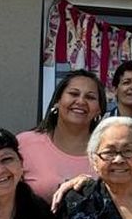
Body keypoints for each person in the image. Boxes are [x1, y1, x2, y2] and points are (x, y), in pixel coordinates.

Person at [17, 69, 103, 201]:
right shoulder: (24, 143)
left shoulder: (108, 152)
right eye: (73, 94)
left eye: (90, 97)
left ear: (99, 110)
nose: (81, 101)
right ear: (57, 100)